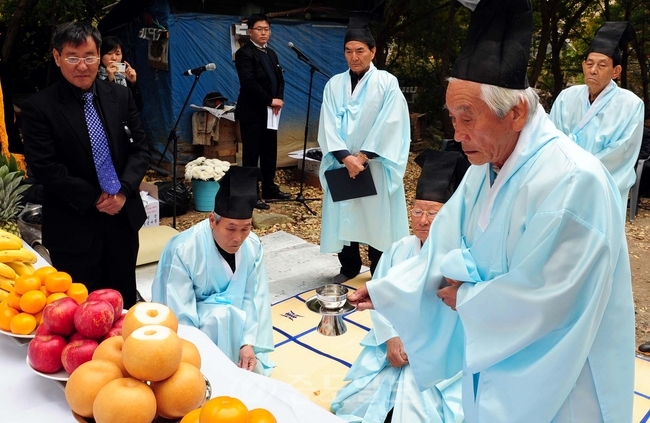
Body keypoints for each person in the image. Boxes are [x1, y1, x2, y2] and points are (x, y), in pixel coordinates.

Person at [349, 1, 635, 421]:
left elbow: (552, 296)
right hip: (493, 354)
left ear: (516, 113)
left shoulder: (575, 180)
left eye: (468, 118)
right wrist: (389, 290)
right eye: (451, 118)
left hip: (560, 372)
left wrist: (470, 297)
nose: (457, 134)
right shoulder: (487, 164)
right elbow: (443, 238)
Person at [331, 149, 468, 423]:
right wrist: (391, 338)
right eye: (417, 211)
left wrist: (419, 345)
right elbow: (380, 296)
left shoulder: (460, 258)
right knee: (353, 404)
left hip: (439, 353)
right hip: (394, 343)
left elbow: (457, 320)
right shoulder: (399, 249)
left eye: (433, 213)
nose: (423, 220)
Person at [21, 22, 149, 309]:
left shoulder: (120, 95)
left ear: (99, 54)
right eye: (73, 57)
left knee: (122, 302)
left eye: (90, 56)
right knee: (82, 311)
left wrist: (123, 192)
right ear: (57, 57)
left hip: (122, 218)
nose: (83, 66)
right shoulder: (39, 107)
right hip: (74, 226)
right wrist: (95, 197)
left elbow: (140, 148)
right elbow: (45, 167)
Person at [151, 166, 274, 375]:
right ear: (212, 220)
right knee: (221, 315)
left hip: (240, 328)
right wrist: (194, 358)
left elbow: (255, 298)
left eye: (245, 228)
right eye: (231, 228)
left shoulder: (252, 245)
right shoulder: (184, 249)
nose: (238, 238)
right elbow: (178, 312)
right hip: (200, 329)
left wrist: (248, 343)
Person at [318, 11, 411, 284]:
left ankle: (378, 268)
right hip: (341, 162)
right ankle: (348, 267)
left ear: (373, 51)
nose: (354, 56)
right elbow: (327, 122)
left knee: (375, 216)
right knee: (343, 213)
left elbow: (390, 122)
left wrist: (363, 156)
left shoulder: (386, 82)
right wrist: (345, 157)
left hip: (374, 163)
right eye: (348, 51)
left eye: (360, 50)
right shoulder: (334, 84)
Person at [549, 21, 644, 213]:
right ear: (583, 66)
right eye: (590, 64)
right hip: (560, 183)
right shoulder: (566, 97)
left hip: (601, 189)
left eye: (602, 65)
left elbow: (621, 154)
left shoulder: (631, 105)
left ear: (616, 71)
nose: (593, 70)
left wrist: (579, 173)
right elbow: (550, 137)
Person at [235, 14, 290, 210]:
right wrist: (269, 100)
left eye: (267, 29)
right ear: (250, 31)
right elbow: (248, 83)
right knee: (251, 155)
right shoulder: (244, 54)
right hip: (252, 113)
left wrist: (278, 100)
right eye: (259, 29)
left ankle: (270, 188)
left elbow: (280, 80)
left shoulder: (271, 53)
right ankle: (251, 194)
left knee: (269, 152)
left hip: (271, 112)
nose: (264, 32)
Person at [98, 35, 144, 111]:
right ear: (100, 56)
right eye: (109, 53)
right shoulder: (94, 76)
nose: (114, 58)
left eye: (118, 54)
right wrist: (110, 80)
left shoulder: (125, 75)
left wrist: (133, 83)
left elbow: (138, 107)